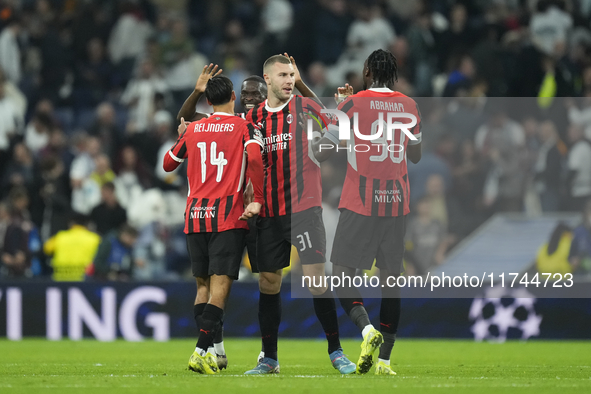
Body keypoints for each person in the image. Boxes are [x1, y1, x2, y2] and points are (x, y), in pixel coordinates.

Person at [243, 54, 355, 375]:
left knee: (316, 280)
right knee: (269, 282)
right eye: (283, 75)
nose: (289, 80)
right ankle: (269, 358)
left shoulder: (304, 107)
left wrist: (340, 105)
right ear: (267, 79)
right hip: (269, 213)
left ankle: (337, 352)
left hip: (304, 208)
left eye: (292, 74)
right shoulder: (254, 118)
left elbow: (335, 123)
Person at [163, 75, 265, 375]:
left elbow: (168, 165)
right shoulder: (246, 127)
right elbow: (256, 161)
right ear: (233, 96)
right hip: (227, 217)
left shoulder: (194, 128)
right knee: (220, 289)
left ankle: (216, 351)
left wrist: (184, 136)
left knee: (203, 288)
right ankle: (200, 351)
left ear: (207, 101)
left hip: (194, 216)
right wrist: (257, 198)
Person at [330, 49, 422, 375]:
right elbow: (416, 155)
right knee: (391, 281)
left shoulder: (352, 104)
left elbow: (331, 147)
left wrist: (339, 109)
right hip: (397, 202)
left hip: (360, 201)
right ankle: (385, 362)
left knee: (341, 272)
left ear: (367, 71)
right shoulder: (409, 106)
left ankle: (368, 331)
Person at [43, 213, 101, 281]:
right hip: (84, 277)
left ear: (71, 224)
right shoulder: (95, 238)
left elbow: (46, 249)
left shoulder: (60, 236)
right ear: (87, 224)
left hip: (61, 276)